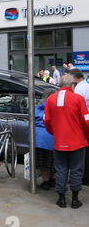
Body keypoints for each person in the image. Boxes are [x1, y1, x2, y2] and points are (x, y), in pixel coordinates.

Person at [44, 74, 89, 209]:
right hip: (77, 142)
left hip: (59, 142)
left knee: (61, 170)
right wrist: (86, 135)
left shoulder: (50, 99)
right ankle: (75, 200)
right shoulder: (78, 99)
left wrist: (55, 133)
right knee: (76, 170)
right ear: (72, 85)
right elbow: (86, 121)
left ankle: (61, 199)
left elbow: (46, 120)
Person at [34, 89, 57, 190]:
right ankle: (53, 179)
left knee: (43, 162)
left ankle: (46, 181)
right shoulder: (57, 107)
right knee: (53, 161)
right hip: (53, 139)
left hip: (39, 139)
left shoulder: (38, 107)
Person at [70, 69, 89, 186]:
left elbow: (75, 109)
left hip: (81, 124)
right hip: (86, 121)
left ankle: (82, 178)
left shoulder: (78, 90)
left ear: (74, 78)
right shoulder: (87, 86)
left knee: (81, 154)